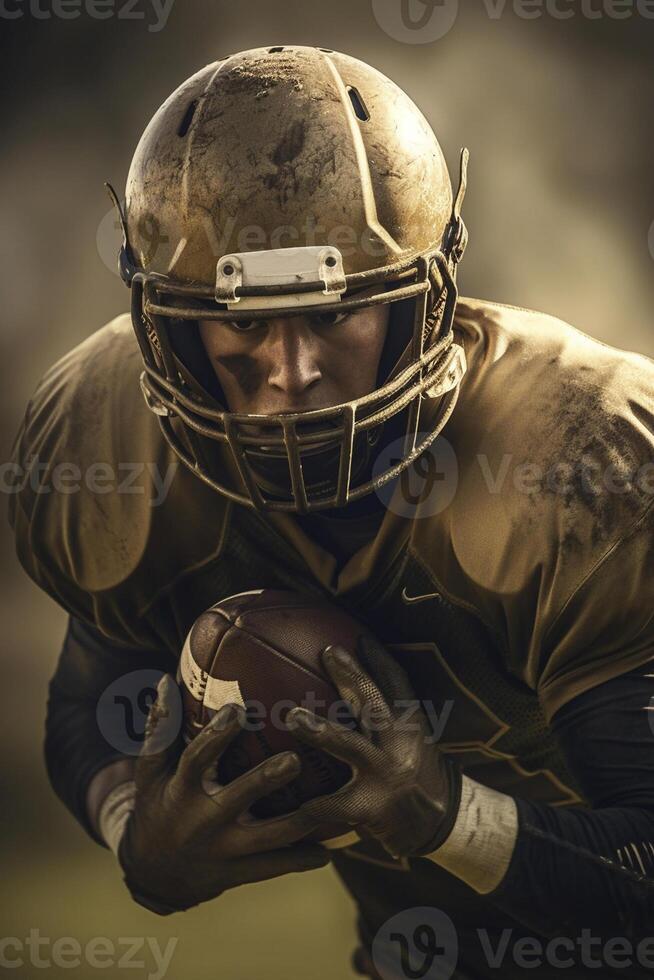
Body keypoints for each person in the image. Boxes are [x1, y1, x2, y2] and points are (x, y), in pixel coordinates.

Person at [10, 45, 654, 979]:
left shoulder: (571, 457)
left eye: (332, 313)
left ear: (422, 302)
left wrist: (443, 817)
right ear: (173, 327)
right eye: (243, 322)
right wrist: (134, 836)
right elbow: (90, 699)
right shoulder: (118, 447)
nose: (290, 369)